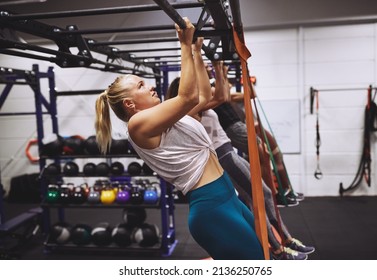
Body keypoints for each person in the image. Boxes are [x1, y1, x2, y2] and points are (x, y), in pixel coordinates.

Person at [94, 18, 264, 260]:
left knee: (259, 258)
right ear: (130, 104)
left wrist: (195, 52)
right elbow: (188, 97)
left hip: (228, 196)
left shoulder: (167, 116)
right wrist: (183, 44)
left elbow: (203, 96)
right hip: (211, 207)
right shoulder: (137, 125)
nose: (151, 87)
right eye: (142, 85)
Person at [167, 61, 314, 260]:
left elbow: (222, 94)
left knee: (257, 199)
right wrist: (203, 62)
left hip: (227, 153)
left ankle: (282, 244)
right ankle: (280, 249)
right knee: (262, 197)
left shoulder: (199, 105)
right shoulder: (190, 109)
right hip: (224, 156)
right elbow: (221, 96)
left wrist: (219, 69)